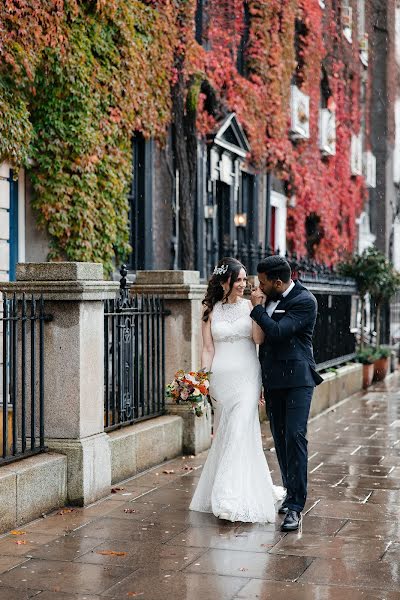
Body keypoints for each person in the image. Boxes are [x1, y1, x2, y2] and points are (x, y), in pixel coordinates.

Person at [189, 257, 285, 523]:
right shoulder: (209, 308)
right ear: (224, 282)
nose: (243, 284)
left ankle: (228, 497)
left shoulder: (249, 306)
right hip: (221, 379)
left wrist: (257, 309)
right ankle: (237, 486)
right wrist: (201, 381)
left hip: (247, 376)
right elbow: (208, 348)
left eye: (245, 279)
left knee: (240, 428)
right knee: (227, 432)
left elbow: (257, 339)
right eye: (238, 279)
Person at [250, 255, 323, 532]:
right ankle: (290, 490)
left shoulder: (305, 301)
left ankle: (295, 506)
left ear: (277, 282)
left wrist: (257, 309)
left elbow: (279, 332)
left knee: (295, 436)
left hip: (298, 380)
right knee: (280, 439)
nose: (259, 286)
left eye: (263, 282)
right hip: (273, 380)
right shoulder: (268, 297)